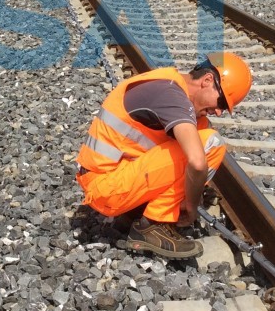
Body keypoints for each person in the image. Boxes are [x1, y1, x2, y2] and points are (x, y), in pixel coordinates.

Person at [75, 52, 253, 259]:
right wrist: (191, 205)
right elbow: (196, 163)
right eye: (222, 102)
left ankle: (135, 214)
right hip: (107, 189)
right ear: (207, 81)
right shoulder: (170, 96)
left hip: (111, 182)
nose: (220, 112)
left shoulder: (170, 88)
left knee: (201, 130)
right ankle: (152, 226)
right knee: (210, 144)